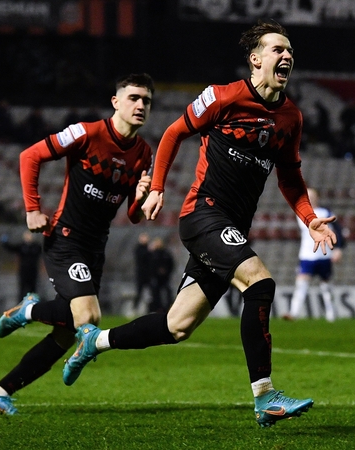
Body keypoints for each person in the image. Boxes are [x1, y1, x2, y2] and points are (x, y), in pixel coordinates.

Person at [59, 20, 337, 428]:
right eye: (277, 49)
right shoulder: (223, 97)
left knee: (178, 325)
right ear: (255, 59)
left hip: (232, 228)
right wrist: (157, 187)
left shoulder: (290, 117)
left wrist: (310, 219)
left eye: (290, 50)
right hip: (203, 214)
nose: (287, 56)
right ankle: (265, 396)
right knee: (260, 283)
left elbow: (291, 177)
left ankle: (94, 341)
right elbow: (174, 133)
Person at [0, 73, 155, 415]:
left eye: (146, 101)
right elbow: (30, 156)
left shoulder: (144, 154)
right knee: (89, 316)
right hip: (66, 238)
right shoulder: (85, 133)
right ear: (115, 102)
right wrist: (32, 209)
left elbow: (133, 216)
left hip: (95, 248)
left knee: (65, 334)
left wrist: (140, 197)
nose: (140, 106)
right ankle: (28, 312)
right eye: (133, 98)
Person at [283, 187, 345, 322]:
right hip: (307, 255)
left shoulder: (326, 212)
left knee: (326, 286)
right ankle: (293, 313)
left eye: (312, 196)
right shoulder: (300, 212)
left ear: (317, 198)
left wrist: (338, 249)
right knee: (301, 284)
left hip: (324, 255)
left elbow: (338, 231)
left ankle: (331, 315)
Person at [0, 231, 43, 304]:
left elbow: (46, 250)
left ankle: (33, 304)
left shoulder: (36, 247)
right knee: (22, 289)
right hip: (23, 271)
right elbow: (10, 248)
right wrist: (4, 242)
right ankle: (21, 304)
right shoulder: (21, 246)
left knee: (33, 288)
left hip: (33, 271)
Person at [147, 236, 175, 314]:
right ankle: (157, 308)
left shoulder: (166, 253)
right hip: (155, 277)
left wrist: (166, 271)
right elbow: (148, 265)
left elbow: (171, 264)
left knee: (167, 292)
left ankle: (168, 307)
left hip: (165, 277)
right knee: (155, 294)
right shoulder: (152, 254)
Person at [132, 232, 152, 315]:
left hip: (149, 274)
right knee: (139, 292)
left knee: (151, 293)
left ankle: (150, 309)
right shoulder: (138, 249)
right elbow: (140, 258)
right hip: (140, 274)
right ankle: (135, 308)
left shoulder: (149, 249)